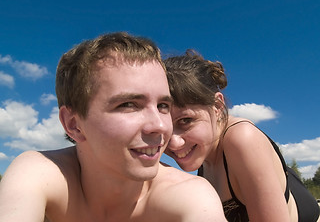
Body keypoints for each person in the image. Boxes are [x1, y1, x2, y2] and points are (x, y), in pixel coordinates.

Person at [0, 33, 227, 222]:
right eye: (128, 105)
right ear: (73, 124)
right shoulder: (40, 173)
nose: (160, 126)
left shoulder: (190, 196)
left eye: (163, 105)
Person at [163, 50, 320, 222]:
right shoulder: (204, 155)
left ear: (217, 105)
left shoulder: (242, 139)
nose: (174, 143)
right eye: (164, 127)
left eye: (186, 120)